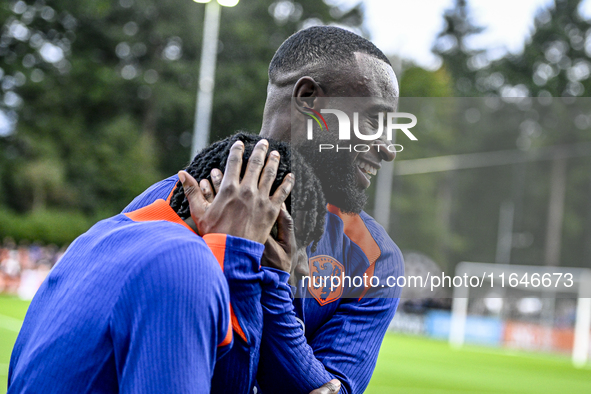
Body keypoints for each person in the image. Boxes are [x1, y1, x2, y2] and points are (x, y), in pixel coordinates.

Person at [124, 26, 404, 394]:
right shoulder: (167, 208)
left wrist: (270, 292)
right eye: (372, 121)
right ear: (308, 100)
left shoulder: (375, 259)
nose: (386, 148)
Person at [7, 135, 325, 393]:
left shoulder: (102, 235)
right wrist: (246, 262)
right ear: (262, 225)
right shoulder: (182, 265)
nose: (303, 267)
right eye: (299, 245)